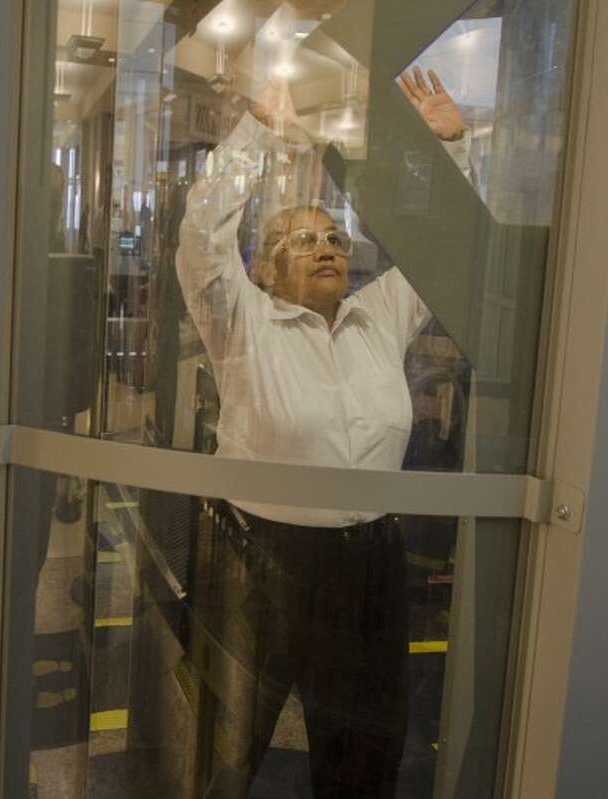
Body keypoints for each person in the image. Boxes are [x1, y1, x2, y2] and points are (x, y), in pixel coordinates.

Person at [175, 54, 470, 798]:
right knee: (227, 745)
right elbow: (202, 240)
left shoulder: (379, 316)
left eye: (333, 236)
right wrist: (255, 132)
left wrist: (451, 150)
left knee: (363, 750)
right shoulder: (243, 322)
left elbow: (447, 252)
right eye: (303, 241)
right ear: (268, 269)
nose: (328, 247)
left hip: (368, 563)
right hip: (259, 560)